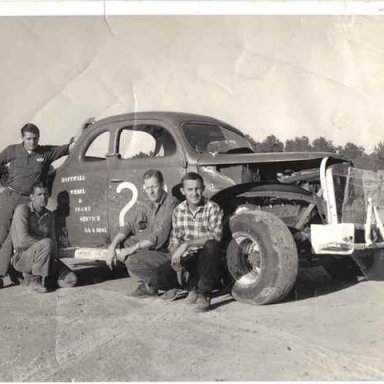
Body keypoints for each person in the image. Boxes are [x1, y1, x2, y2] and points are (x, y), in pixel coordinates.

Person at [0, 122, 82, 287]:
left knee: (12, 239)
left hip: (26, 201)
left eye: (35, 138)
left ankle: (3, 273)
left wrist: (82, 129)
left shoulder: (45, 153)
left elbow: (70, 147)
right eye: (29, 138)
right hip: (9, 196)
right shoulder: (12, 150)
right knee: (1, 233)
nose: (32, 142)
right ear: (22, 138)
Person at [153, 172, 224, 312]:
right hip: (188, 257)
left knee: (211, 246)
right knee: (158, 276)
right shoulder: (178, 211)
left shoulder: (212, 207)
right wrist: (176, 256)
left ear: (203, 188)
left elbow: (216, 236)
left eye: (197, 188)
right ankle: (191, 287)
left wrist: (187, 244)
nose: (194, 193)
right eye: (190, 189)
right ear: (182, 191)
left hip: (207, 257)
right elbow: (174, 240)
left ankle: (203, 293)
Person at [106, 169, 179, 297]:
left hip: (170, 254)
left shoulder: (171, 203)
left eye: (154, 187)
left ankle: (170, 284)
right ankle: (150, 284)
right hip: (158, 251)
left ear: (163, 185)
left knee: (131, 259)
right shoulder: (150, 205)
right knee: (124, 241)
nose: (151, 191)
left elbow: (158, 238)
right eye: (148, 187)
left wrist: (133, 249)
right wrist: (112, 246)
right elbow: (130, 225)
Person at [9, 182, 63, 293]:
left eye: (46, 194)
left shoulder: (49, 215)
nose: (43, 197)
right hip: (22, 258)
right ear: (32, 197)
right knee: (47, 243)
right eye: (39, 194)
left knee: (71, 280)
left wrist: (56, 259)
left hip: (44, 256)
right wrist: (46, 244)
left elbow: (53, 240)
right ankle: (34, 280)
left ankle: (43, 278)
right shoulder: (23, 210)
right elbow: (22, 241)